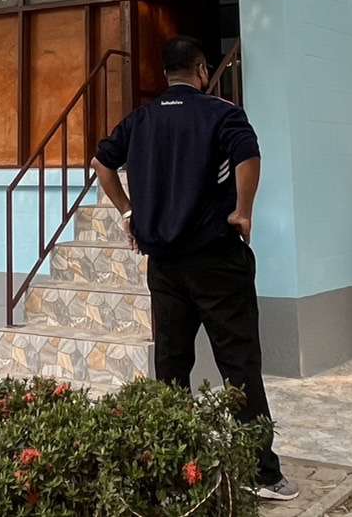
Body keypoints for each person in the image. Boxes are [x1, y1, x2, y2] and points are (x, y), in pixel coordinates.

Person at [91, 36, 297, 503]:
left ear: (166, 74)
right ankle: (262, 474)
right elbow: (248, 156)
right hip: (216, 261)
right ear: (202, 70)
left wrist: (128, 212)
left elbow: (101, 164)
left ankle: (175, 467)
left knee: (171, 364)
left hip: (164, 266)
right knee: (239, 364)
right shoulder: (222, 114)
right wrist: (243, 210)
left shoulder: (140, 119)